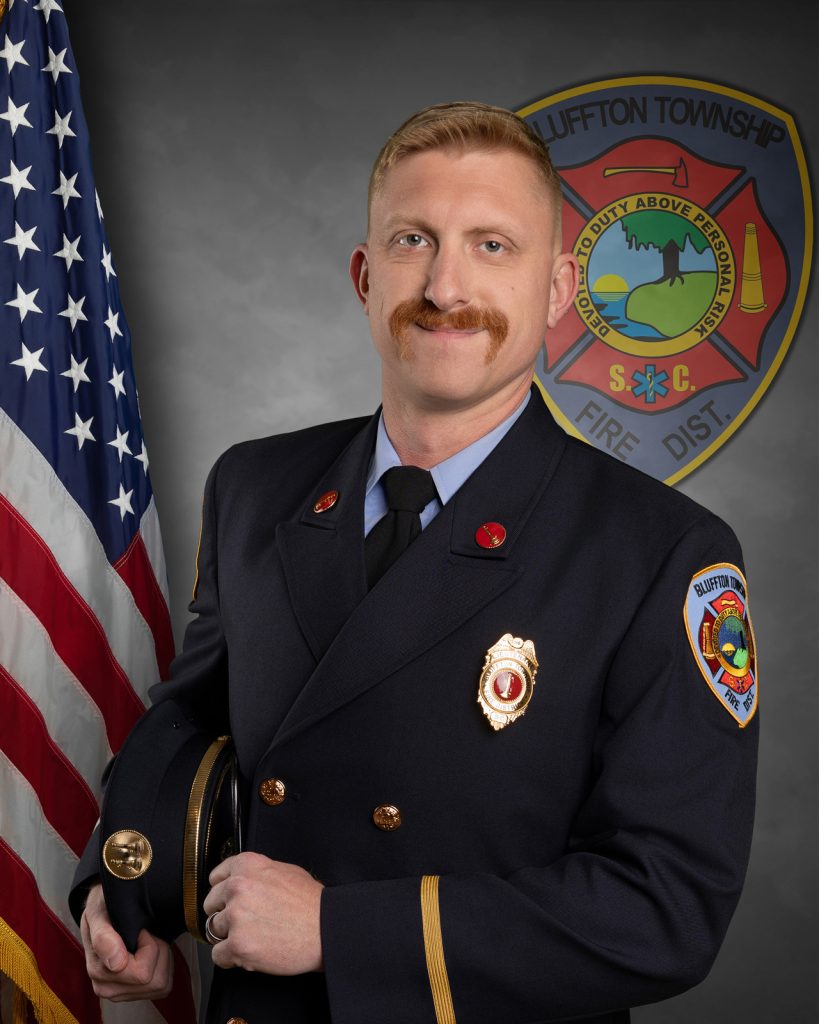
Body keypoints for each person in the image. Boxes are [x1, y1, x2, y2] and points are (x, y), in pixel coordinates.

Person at [72, 101, 758, 1024]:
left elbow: (664, 909)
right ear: (364, 275)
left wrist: (340, 931)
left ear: (557, 291)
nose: (443, 285)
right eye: (411, 240)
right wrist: (124, 882)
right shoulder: (258, 486)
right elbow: (193, 712)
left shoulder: (661, 553)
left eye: (491, 246)